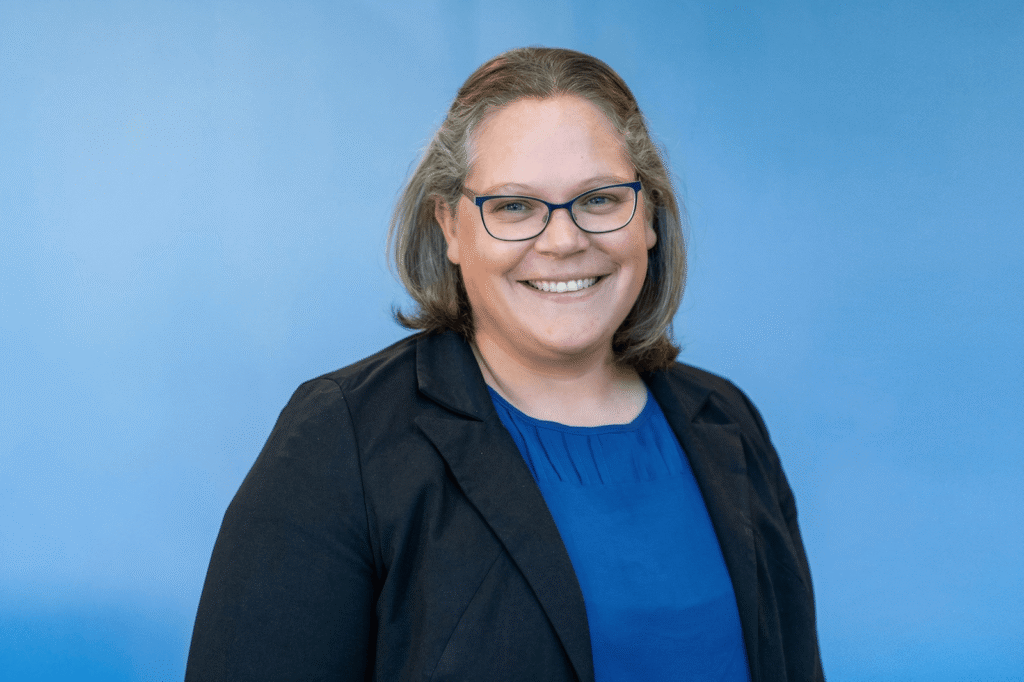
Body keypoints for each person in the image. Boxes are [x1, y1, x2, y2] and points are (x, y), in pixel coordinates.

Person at [185, 47, 825, 681]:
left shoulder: (726, 421)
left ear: (649, 215)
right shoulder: (344, 439)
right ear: (450, 227)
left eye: (600, 199)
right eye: (514, 207)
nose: (564, 240)